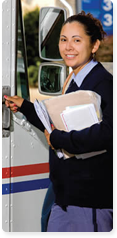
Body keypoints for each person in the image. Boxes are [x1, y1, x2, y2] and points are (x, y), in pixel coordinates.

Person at [4, 11, 113, 232]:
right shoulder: (74, 80)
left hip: (89, 202)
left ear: (94, 45)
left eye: (77, 40)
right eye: (63, 40)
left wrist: (59, 139)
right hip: (66, 197)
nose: (68, 47)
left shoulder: (103, 83)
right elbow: (55, 121)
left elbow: (108, 133)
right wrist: (24, 106)